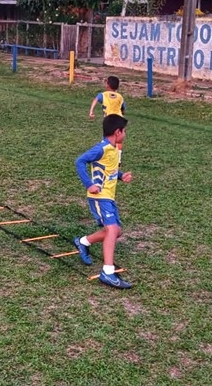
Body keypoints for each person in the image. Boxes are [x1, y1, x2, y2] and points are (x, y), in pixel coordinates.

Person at [73, 114, 134, 289]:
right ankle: (107, 273)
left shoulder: (114, 149)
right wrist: (89, 184)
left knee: (116, 232)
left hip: (108, 196)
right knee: (112, 230)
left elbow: (109, 170)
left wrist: (122, 176)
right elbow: (80, 161)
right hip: (99, 197)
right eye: (124, 131)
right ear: (117, 132)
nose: (125, 134)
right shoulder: (102, 148)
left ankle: (83, 242)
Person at [89, 76, 126, 163]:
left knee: (107, 138)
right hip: (120, 119)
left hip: (109, 121)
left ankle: (105, 155)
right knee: (119, 140)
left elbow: (95, 100)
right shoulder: (120, 97)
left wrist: (91, 111)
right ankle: (118, 159)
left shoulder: (103, 95)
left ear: (107, 85)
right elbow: (123, 108)